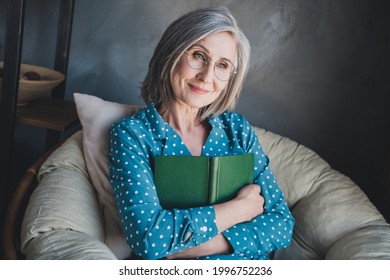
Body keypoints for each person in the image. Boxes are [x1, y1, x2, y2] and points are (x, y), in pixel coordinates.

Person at [109, 7, 294, 260]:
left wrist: (184, 248)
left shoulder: (237, 131)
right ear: (171, 53)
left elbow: (282, 225)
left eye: (222, 65)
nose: (207, 77)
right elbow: (150, 240)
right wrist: (239, 209)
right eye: (198, 56)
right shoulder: (132, 135)